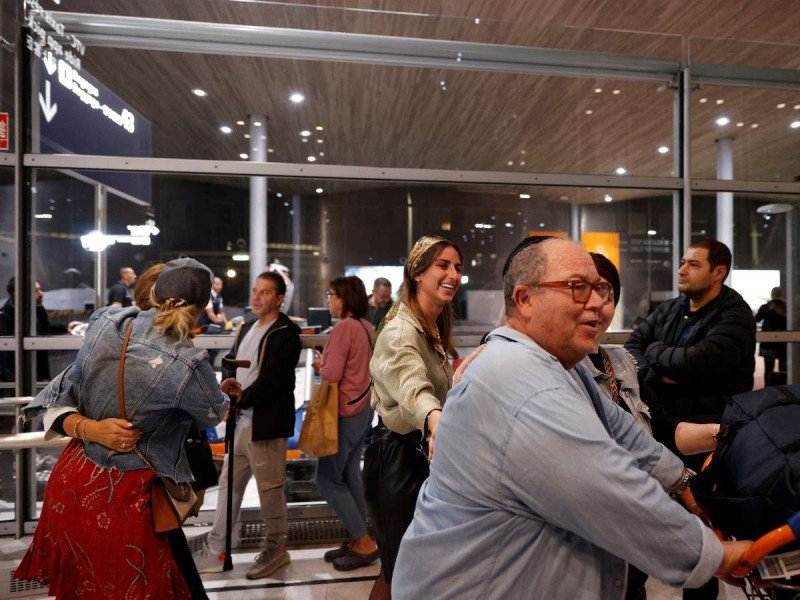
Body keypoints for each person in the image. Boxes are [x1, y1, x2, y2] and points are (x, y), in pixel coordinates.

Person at [391, 237, 749, 600]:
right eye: (577, 288)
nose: (596, 303)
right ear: (525, 299)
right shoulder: (522, 381)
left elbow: (622, 429)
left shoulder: (560, 365)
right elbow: (608, 492)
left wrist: (682, 483)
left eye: (600, 289)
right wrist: (715, 556)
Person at [15, 257, 233, 599]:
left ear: (154, 294)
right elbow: (214, 413)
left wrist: (90, 429)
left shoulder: (106, 323)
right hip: (129, 497)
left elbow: (55, 397)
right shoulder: (189, 362)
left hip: (73, 483)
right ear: (202, 307)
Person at [364, 235, 462, 599]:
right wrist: (435, 419)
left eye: (457, 267)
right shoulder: (400, 331)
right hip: (397, 463)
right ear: (417, 273)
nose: (453, 274)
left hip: (420, 456)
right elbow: (413, 387)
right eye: (443, 265)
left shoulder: (431, 324)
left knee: (418, 572)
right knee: (398, 574)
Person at [192, 271, 302, 579]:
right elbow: (231, 362)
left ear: (279, 299)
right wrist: (227, 393)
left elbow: (274, 379)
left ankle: (276, 549)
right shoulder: (247, 326)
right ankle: (218, 549)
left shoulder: (286, 332)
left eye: (265, 292)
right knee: (228, 488)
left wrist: (240, 400)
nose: (257, 297)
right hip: (241, 422)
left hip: (265, 425)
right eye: (255, 290)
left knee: (270, 491)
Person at [311, 276, 379, 571]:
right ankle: (360, 536)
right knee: (351, 474)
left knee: (327, 479)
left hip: (343, 412)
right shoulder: (367, 327)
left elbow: (333, 373)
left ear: (344, 298)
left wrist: (319, 364)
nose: (329, 299)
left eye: (332, 294)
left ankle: (364, 542)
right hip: (363, 410)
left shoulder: (343, 328)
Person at [0, 278, 81, 381]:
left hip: (38, 369)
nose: (41, 294)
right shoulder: (5, 315)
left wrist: (67, 327)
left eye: (39, 289)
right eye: (36, 291)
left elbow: (45, 328)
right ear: (18, 293)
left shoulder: (38, 308)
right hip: (16, 376)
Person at [755, 286, 787, 386]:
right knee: (784, 368)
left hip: (768, 342)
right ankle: (784, 388)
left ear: (772, 294)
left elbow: (757, 319)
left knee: (768, 369)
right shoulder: (786, 307)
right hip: (783, 342)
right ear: (782, 294)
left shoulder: (765, 307)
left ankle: (767, 388)